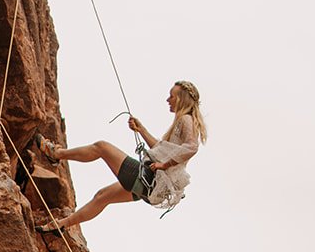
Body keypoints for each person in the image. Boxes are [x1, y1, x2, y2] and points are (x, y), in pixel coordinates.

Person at [37, 80, 207, 228]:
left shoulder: (185, 119)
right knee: (102, 196)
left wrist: (165, 165)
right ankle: (62, 225)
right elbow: (160, 149)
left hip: (150, 179)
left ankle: (56, 153)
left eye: (172, 96)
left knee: (101, 147)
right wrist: (141, 130)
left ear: (181, 98)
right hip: (150, 187)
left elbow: (192, 147)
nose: (168, 99)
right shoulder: (182, 121)